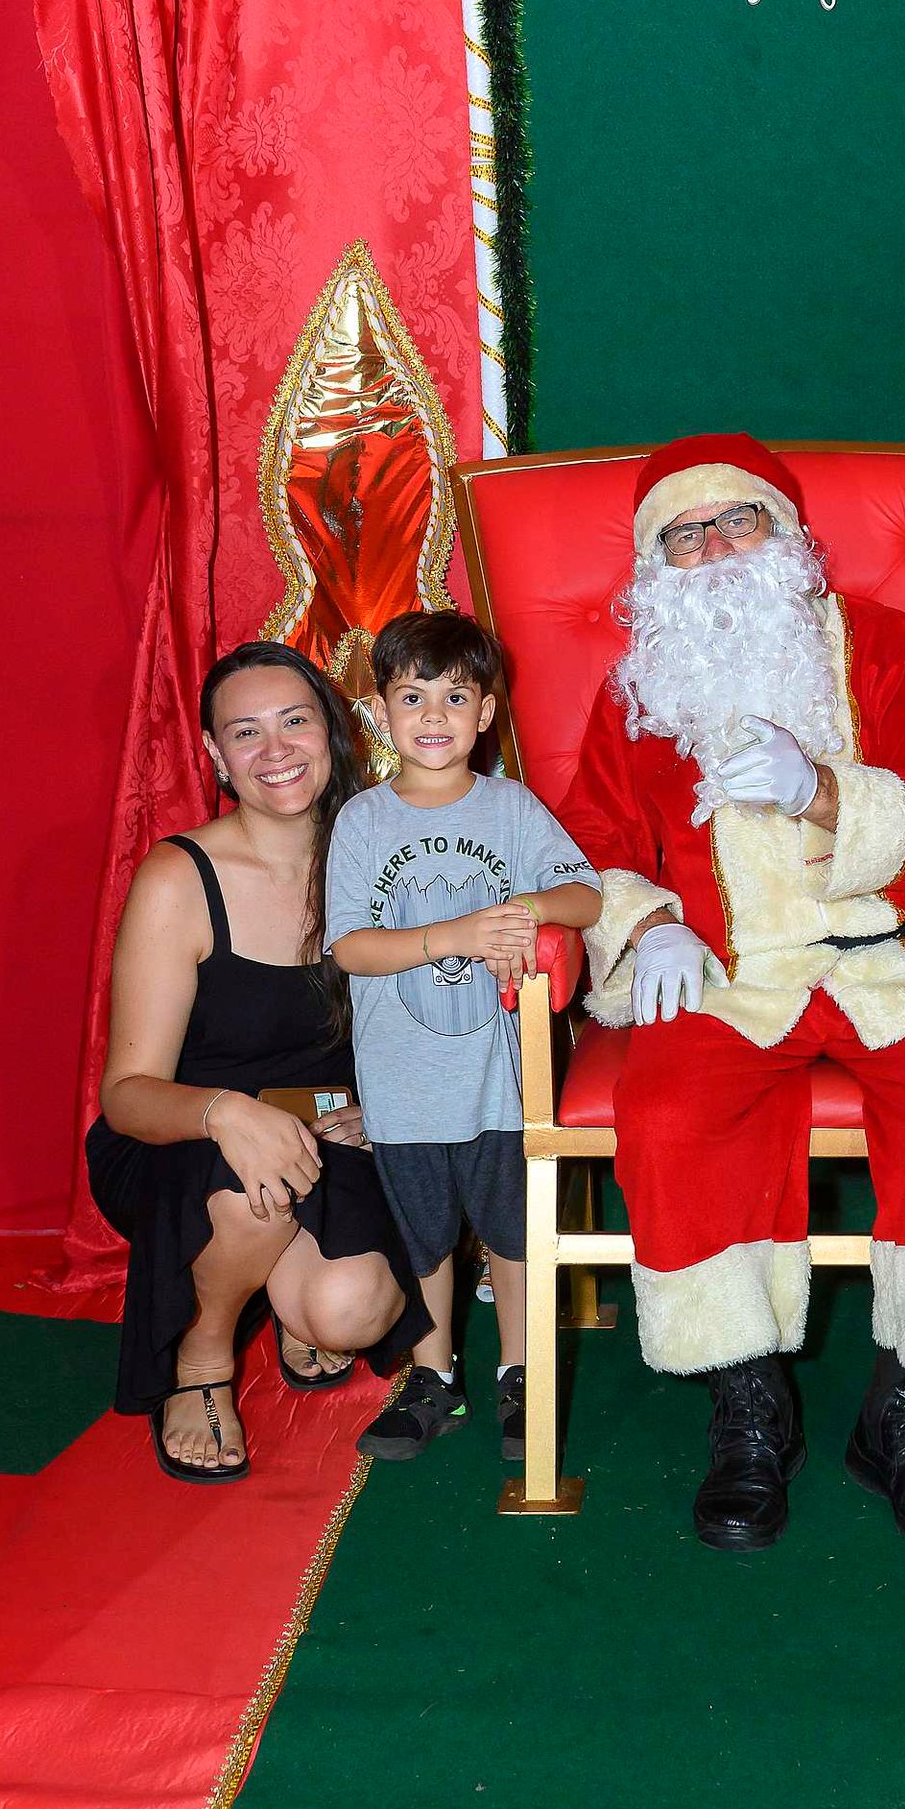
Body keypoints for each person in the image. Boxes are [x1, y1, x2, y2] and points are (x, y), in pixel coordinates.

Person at [559, 433, 905, 1555]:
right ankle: (747, 1408)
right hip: (724, 973)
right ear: (654, 566)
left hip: (892, 958)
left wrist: (821, 790)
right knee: (669, 1110)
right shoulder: (638, 694)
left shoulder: (887, 647)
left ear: (788, 537)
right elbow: (586, 845)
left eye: (739, 521)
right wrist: (647, 925)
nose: (717, 549)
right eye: (685, 535)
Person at [88, 643, 430, 1483]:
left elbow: (432, 1025)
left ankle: (281, 1295)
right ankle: (202, 1355)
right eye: (246, 732)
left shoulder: (383, 856)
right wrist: (225, 1114)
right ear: (216, 753)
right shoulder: (179, 876)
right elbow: (127, 1096)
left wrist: (388, 1108)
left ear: (332, 729)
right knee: (253, 1186)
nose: (275, 750)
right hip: (183, 1144)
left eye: (294, 722)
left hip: (330, 1137)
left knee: (349, 1313)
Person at [326, 611, 601, 1464]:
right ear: (381, 713)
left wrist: (524, 911)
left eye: (455, 696)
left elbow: (585, 893)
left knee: (513, 1235)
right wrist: (454, 935)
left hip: (496, 1081)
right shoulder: (362, 821)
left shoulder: (512, 808)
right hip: (403, 1084)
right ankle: (433, 1376)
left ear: (485, 713)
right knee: (423, 1240)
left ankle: (522, 1372)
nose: (434, 715)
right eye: (413, 697)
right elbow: (351, 947)